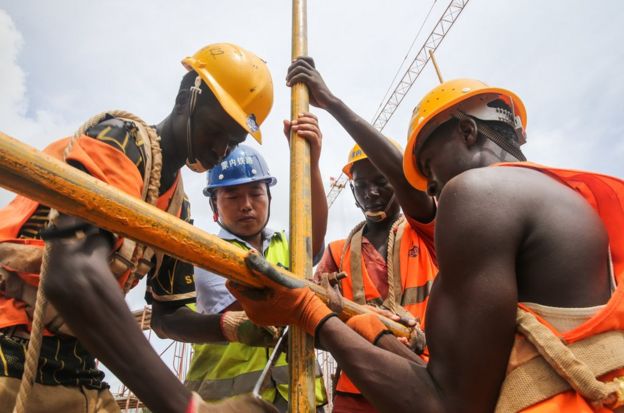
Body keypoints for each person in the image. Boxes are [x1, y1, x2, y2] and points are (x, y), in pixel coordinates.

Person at [227, 77, 624, 412]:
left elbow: (446, 404)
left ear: (468, 132)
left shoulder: (478, 195)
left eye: (429, 167)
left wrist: (311, 315)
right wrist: (375, 333)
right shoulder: (569, 198)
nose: (430, 186)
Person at [0, 43, 277, 413]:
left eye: (234, 140)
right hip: (13, 345)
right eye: (216, 130)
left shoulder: (177, 207)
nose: (220, 149)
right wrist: (188, 406)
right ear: (185, 100)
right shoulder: (120, 141)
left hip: (77, 362)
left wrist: (229, 326)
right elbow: (72, 274)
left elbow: (168, 317)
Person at [287, 57, 437, 412]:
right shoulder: (339, 252)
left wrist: (332, 103)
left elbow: (410, 186)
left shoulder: (427, 231)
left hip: (428, 377)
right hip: (358, 388)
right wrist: (312, 162)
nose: (371, 192)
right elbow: (315, 319)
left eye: (381, 181)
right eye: (361, 185)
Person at [151, 114, 328, 411]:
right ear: (215, 205)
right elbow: (254, 309)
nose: (246, 204)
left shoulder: (285, 243)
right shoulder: (207, 254)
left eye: (256, 193)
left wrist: (310, 163)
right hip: (230, 403)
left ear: (269, 197)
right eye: (232, 195)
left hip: (301, 397)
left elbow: (314, 235)